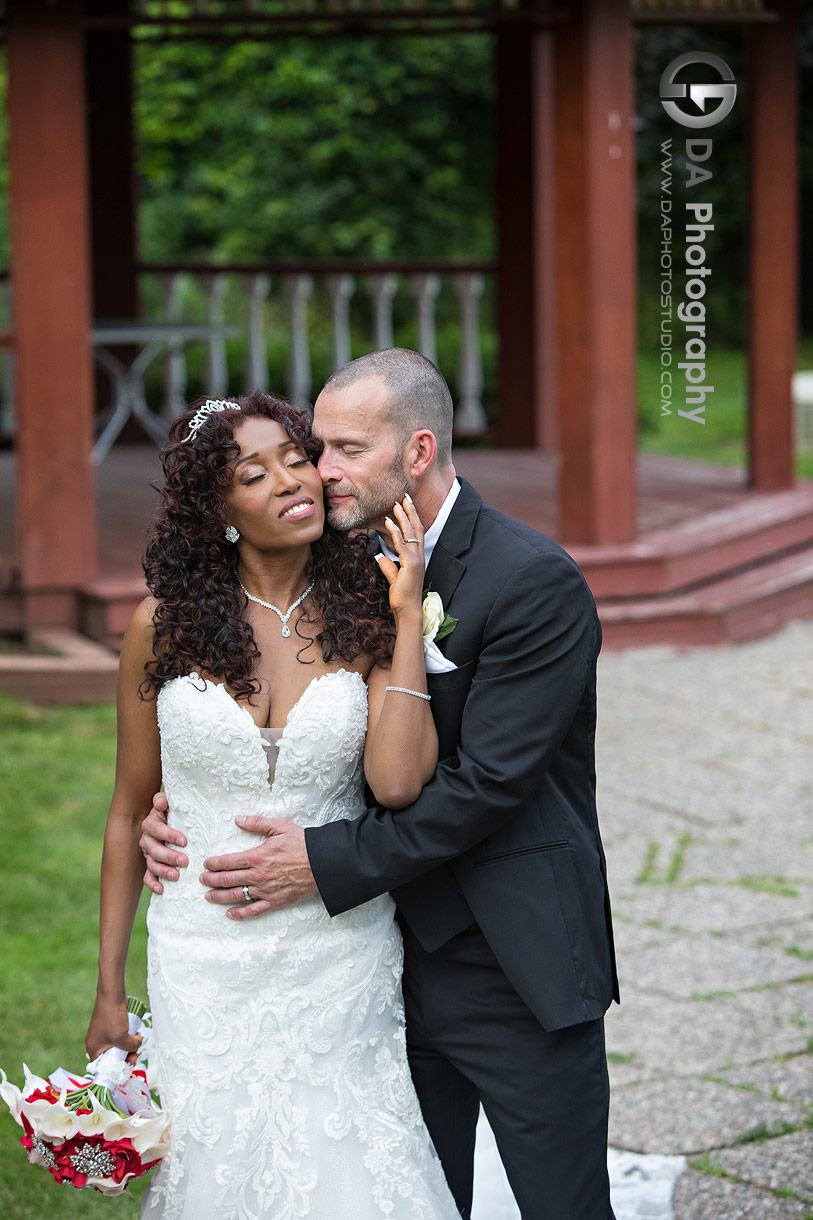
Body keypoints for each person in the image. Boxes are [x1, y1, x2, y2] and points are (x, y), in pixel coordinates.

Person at [143, 349, 620, 1220]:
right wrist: (173, 810)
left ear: (417, 452)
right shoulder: (344, 572)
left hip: (506, 957)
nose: (317, 472)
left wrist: (319, 860)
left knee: (563, 1203)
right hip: (371, 966)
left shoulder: (532, 580)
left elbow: (485, 786)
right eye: (311, 447)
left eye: (342, 449)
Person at [85, 390, 461, 1220]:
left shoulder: (368, 608)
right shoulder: (163, 626)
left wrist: (405, 618)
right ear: (217, 509)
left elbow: (399, 783)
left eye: (297, 458)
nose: (292, 481)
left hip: (338, 947)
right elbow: (126, 808)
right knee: (214, 1159)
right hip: (199, 948)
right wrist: (109, 988)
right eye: (253, 473)